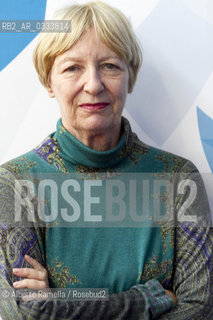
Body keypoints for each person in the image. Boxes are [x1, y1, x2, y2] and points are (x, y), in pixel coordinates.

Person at [0, 1, 212, 319]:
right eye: (72, 68)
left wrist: (62, 300)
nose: (94, 84)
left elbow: (199, 310)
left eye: (110, 66)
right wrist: (148, 299)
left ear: (130, 76)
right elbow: (27, 313)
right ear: (49, 81)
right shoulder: (15, 183)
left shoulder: (178, 180)